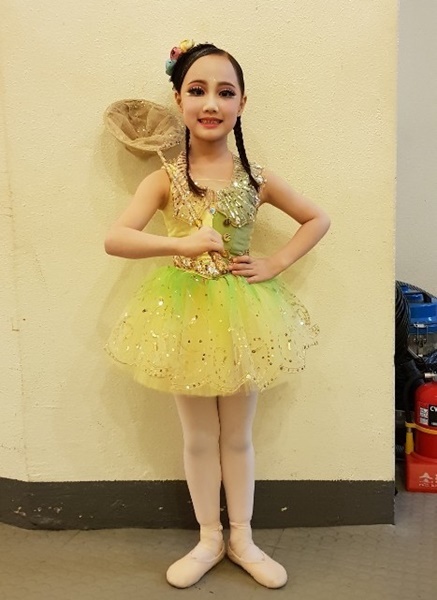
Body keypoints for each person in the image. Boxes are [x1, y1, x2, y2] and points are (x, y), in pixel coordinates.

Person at [104, 40, 330, 589]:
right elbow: (117, 238)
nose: (211, 103)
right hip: (183, 314)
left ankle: (242, 538)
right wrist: (178, 245)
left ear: (241, 103)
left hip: (242, 315)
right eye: (197, 90)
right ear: (178, 100)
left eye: (225, 92)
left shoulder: (256, 179)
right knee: (199, 435)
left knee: (239, 435)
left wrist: (274, 262)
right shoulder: (164, 178)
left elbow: (316, 219)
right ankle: (208, 538)